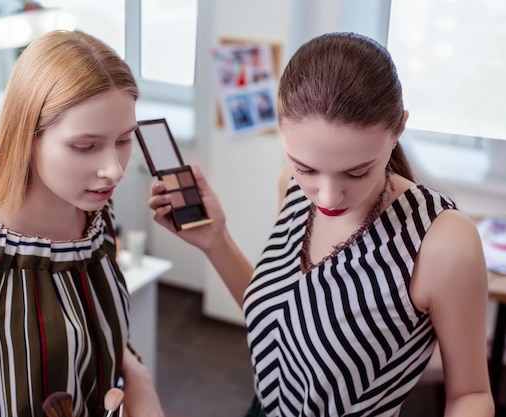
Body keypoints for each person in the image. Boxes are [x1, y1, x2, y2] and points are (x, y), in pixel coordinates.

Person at [149, 32, 493, 416]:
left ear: (399, 129)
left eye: (358, 172)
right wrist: (215, 241)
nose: (327, 197)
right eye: (306, 168)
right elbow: (286, 317)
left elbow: (470, 395)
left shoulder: (441, 242)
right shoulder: (291, 187)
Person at [0, 30, 164, 417]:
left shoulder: (97, 219)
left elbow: (102, 339)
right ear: (28, 136)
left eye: (124, 140)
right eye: (86, 146)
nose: (114, 170)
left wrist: (137, 379)